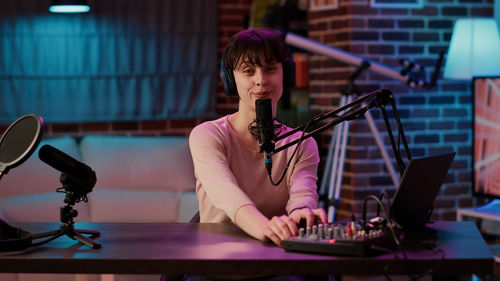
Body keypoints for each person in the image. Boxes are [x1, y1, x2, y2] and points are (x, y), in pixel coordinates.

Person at [189, 27, 327, 248]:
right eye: (248, 71)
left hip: (275, 254)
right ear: (230, 79)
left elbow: (303, 194)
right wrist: (265, 227)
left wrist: (303, 212)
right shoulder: (208, 135)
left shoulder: (303, 143)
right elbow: (226, 193)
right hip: (217, 258)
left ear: (286, 75)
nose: (261, 80)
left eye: (270, 69)